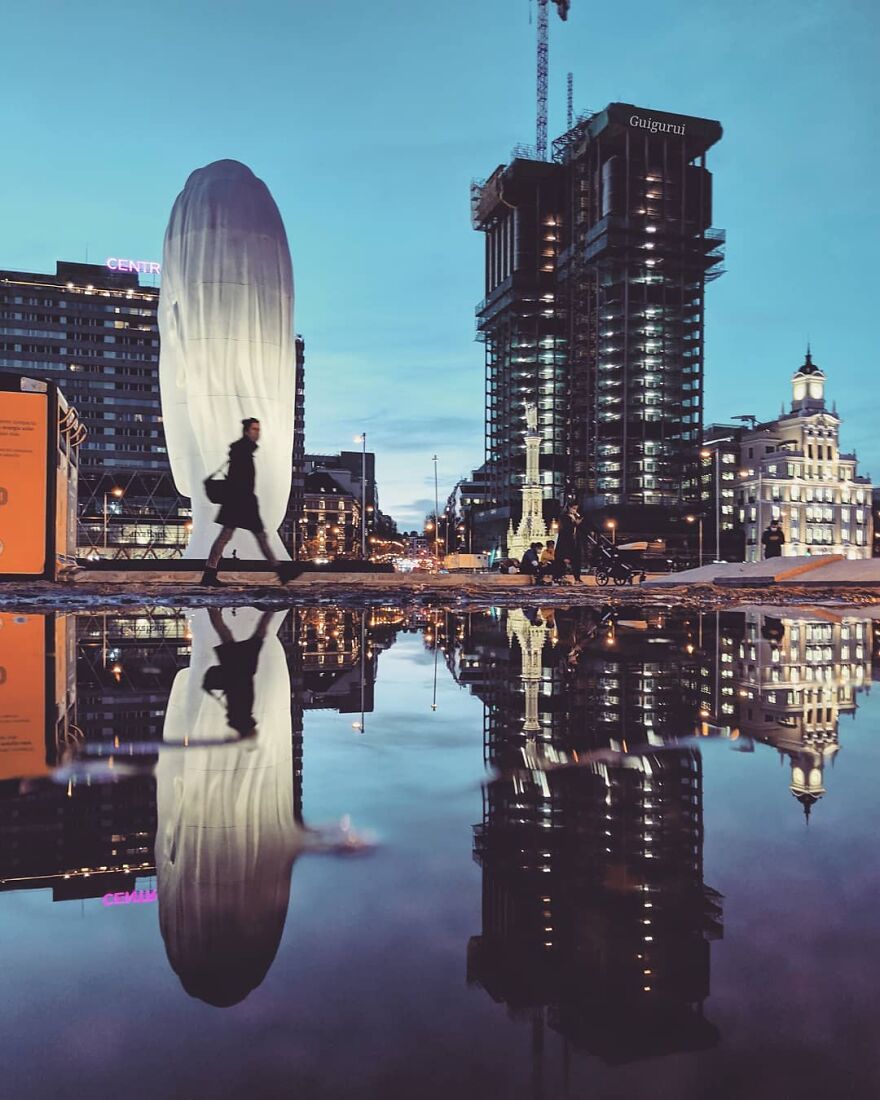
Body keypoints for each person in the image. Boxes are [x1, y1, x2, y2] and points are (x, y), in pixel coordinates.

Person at [201, 419, 296, 586]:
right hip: (242, 501)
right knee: (257, 536)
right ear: (246, 431)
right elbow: (240, 479)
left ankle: (209, 573)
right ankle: (281, 571)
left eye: (258, 429)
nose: (257, 433)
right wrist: (245, 499)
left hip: (238, 501)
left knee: (229, 537)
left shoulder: (242, 449)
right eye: (254, 429)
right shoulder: (243, 451)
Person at [553, 500, 585, 583]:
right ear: (569, 508)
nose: (575, 510)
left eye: (576, 509)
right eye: (573, 508)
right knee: (562, 560)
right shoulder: (564, 517)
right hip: (565, 542)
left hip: (575, 542)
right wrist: (575, 524)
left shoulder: (575, 516)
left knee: (577, 560)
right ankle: (558, 577)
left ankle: (577, 578)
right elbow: (566, 529)